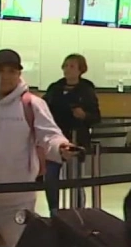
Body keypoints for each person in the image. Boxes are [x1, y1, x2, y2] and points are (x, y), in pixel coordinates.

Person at [0, 49, 72, 247]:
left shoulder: (32, 104)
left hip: (18, 198)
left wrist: (61, 147)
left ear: (19, 74)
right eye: (0, 70)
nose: (6, 76)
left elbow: (49, 134)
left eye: (11, 71)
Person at [42, 54, 100, 211]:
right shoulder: (55, 89)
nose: (67, 69)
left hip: (76, 139)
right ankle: (54, 211)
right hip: (55, 140)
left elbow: (96, 117)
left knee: (75, 179)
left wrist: (84, 115)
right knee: (51, 178)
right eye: (65, 65)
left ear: (81, 70)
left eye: (72, 66)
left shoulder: (87, 90)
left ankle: (77, 210)